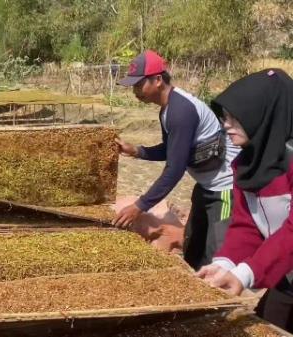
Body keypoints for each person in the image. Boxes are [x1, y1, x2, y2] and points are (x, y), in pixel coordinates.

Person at [113, 50, 240, 270]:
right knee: (193, 249)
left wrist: (140, 206)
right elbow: (171, 150)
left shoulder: (180, 111)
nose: (135, 91)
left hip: (224, 188)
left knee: (217, 256)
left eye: (138, 84)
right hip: (205, 185)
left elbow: (175, 169)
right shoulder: (166, 110)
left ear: (158, 80)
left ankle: (221, 301)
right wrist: (137, 151)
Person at [197, 69, 293, 332]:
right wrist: (225, 263)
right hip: (286, 277)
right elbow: (246, 225)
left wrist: (246, 273)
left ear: (262, 114)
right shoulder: (246, 165)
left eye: (234, 118)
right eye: (224, 117)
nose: (226, 125)